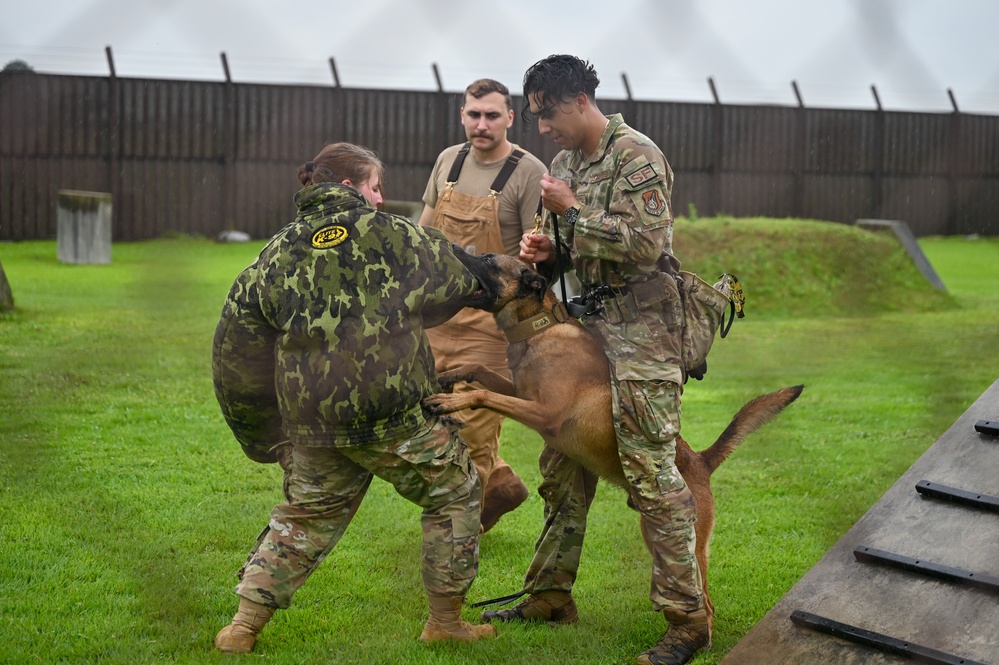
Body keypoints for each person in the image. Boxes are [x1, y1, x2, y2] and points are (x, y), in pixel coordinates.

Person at [211, 142, 496, 654]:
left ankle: (241, 627)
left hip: (311, 423)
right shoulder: (395, 235)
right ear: (349, 187)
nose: (380, 199)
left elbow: (235, 354)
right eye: (375, 187)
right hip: (394, 420)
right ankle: (446, 621)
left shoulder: (273, 254)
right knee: (455, 494)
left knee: (305, 519)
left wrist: (264, 438)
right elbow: (457, 281)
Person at [481, 55, 710, 665]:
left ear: (580, 100)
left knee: (652, 475)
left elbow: (646, 244)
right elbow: (565, 251)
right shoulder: (561, 165)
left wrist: (571, 213)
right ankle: (549, 596)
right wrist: (543, 250)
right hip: (585, 333)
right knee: (561, 469)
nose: (541, 130)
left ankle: (688, 622)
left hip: (646, 335)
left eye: (547, 114)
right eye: (534, 117)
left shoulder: (638, 155)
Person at [417, 78, 548, 532]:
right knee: (428, 419)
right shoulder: (447, 161)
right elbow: (426, 233)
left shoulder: (529, 172)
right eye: (474, 114)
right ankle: (503, 485)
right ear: (462, 115)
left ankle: (453, 536)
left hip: (489, 330)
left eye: (492, 115)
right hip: (435, 318)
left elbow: (536, 261)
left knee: (473, 431)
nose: (482, 124)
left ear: (510, 118)